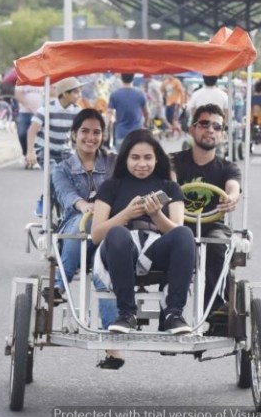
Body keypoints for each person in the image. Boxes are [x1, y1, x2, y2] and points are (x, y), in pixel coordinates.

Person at [90, 129, 195, 335]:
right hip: (120, 246)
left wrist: (156, 215)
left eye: (148, 158)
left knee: (185, 234)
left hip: (157, 244)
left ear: (157, 160)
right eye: (135, 158)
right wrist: (126, 214)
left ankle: (173, 313)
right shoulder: (111, 186)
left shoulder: (171, 187)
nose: (142, 164)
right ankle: (127, 313)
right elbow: (96, 234)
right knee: (117, 233)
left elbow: (177, 229)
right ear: (125, 159)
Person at [47, 109, 122, 368]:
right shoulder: (62, 168)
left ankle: (112, 346)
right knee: (79, 232)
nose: (91, 137)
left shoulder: (113, 163)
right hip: (75, 222)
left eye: (97, 132)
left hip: (109, 226)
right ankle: (59, 285)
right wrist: (84, 206)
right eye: (85, 131)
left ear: (103, 135)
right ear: (74, 135)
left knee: (104, 273)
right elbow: (66, 195)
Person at [171, 104, 241, 330]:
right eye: (204, 124)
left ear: (222, 135)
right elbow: (169, 181)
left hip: (212, 225)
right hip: (177, 223)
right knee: (173, 242)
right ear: (192, 129)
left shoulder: (227, 167)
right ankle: (171, 314)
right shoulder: (174, 161)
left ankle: (215, 310)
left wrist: (231, 198)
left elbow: (233, 187)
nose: (210, 130)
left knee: (217, 244)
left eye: (216, 127)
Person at [26, 77, 83, 168]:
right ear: (65, 94)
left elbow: (79, 134)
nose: (80, 95)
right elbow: (32, 130)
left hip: (64, 152)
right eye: (76, 92)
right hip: (45, 151)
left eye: (80, 92)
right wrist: (30, 152)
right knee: (55, 174)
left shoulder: (77, 111)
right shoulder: (47, 109)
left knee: (76, 173)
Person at [107, 73, 147, 150]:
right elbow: (146, 112)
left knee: (122, 158)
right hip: (137, 134)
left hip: (121, 134)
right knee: (136, 157)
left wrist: (105, 128)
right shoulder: (140, 93)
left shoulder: (114, 94)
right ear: (133, 78)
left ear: (121, 78)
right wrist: (146, 123)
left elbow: (109, 112)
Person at [15, 83, 45, 167]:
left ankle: (36, 157)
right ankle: (25, 153)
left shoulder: (42, 80)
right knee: (22, 133)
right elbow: (18, 94)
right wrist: (28, 105)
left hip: (39, 113)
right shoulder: (23, 80)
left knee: (39, 136)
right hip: (25, 112)